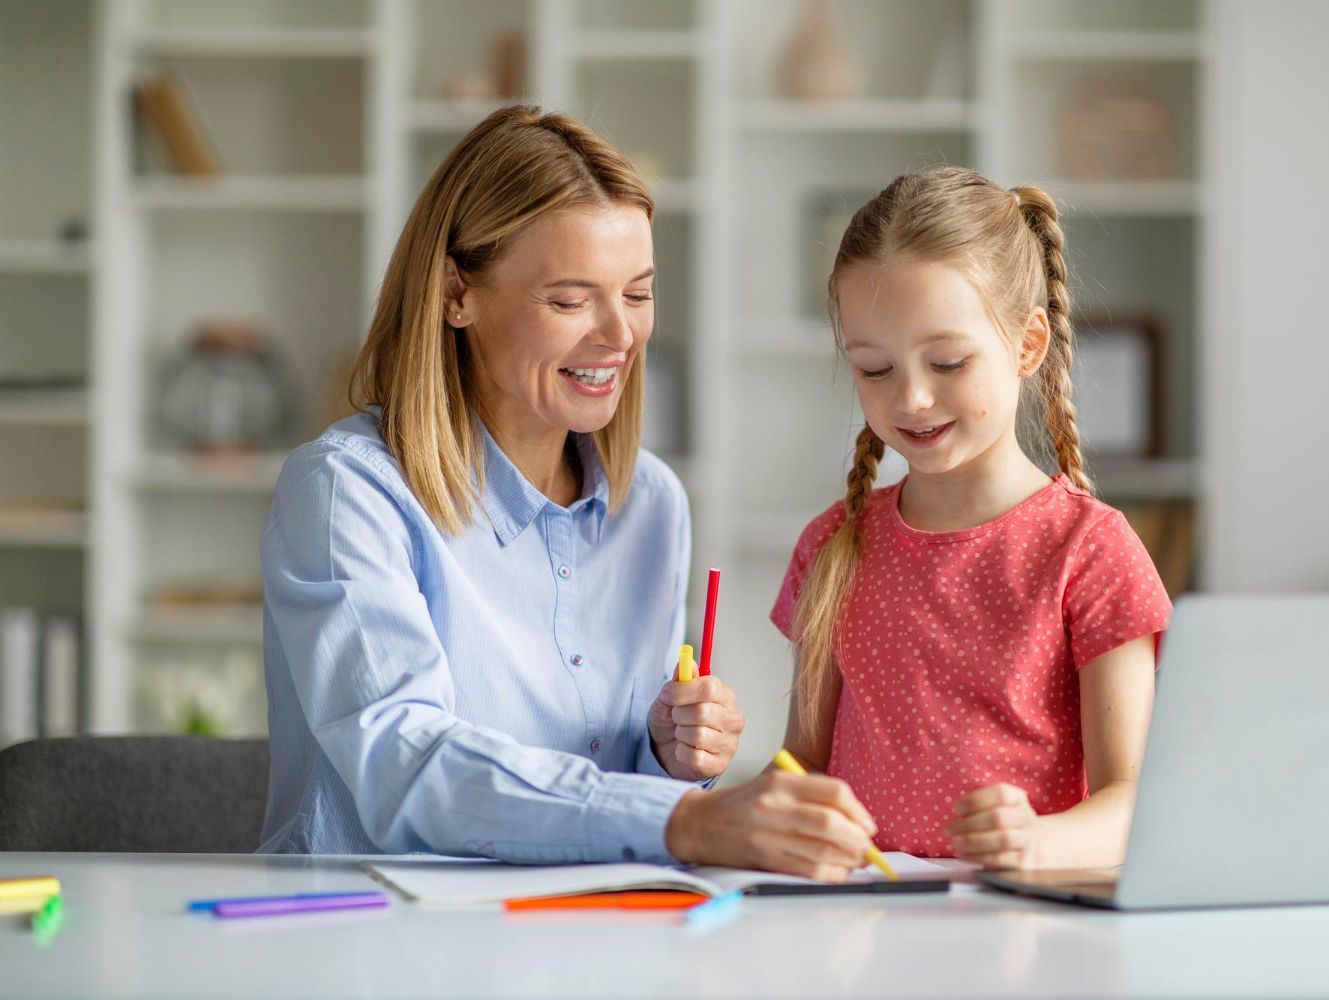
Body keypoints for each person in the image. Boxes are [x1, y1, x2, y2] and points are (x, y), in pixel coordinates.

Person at [260, 105, 877, 880]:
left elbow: (619, 800)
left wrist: (668, 754)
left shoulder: (650, 504)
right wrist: (682, 818)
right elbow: (405, 765)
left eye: (639, 294)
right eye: (570, 299)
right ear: (458, 293)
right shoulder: (347, 491)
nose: (620, 335)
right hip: (372, 935)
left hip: (584, 932)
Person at [771, 166, 1174, 869]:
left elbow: (1132, 803)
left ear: (1027, 346)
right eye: (874, 369)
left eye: (948, 362)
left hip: (1026, 933)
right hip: (862, 929)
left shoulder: (1092, 550)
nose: (913, 400)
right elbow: (798, 769)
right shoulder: (833, 545)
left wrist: (1036, 842)